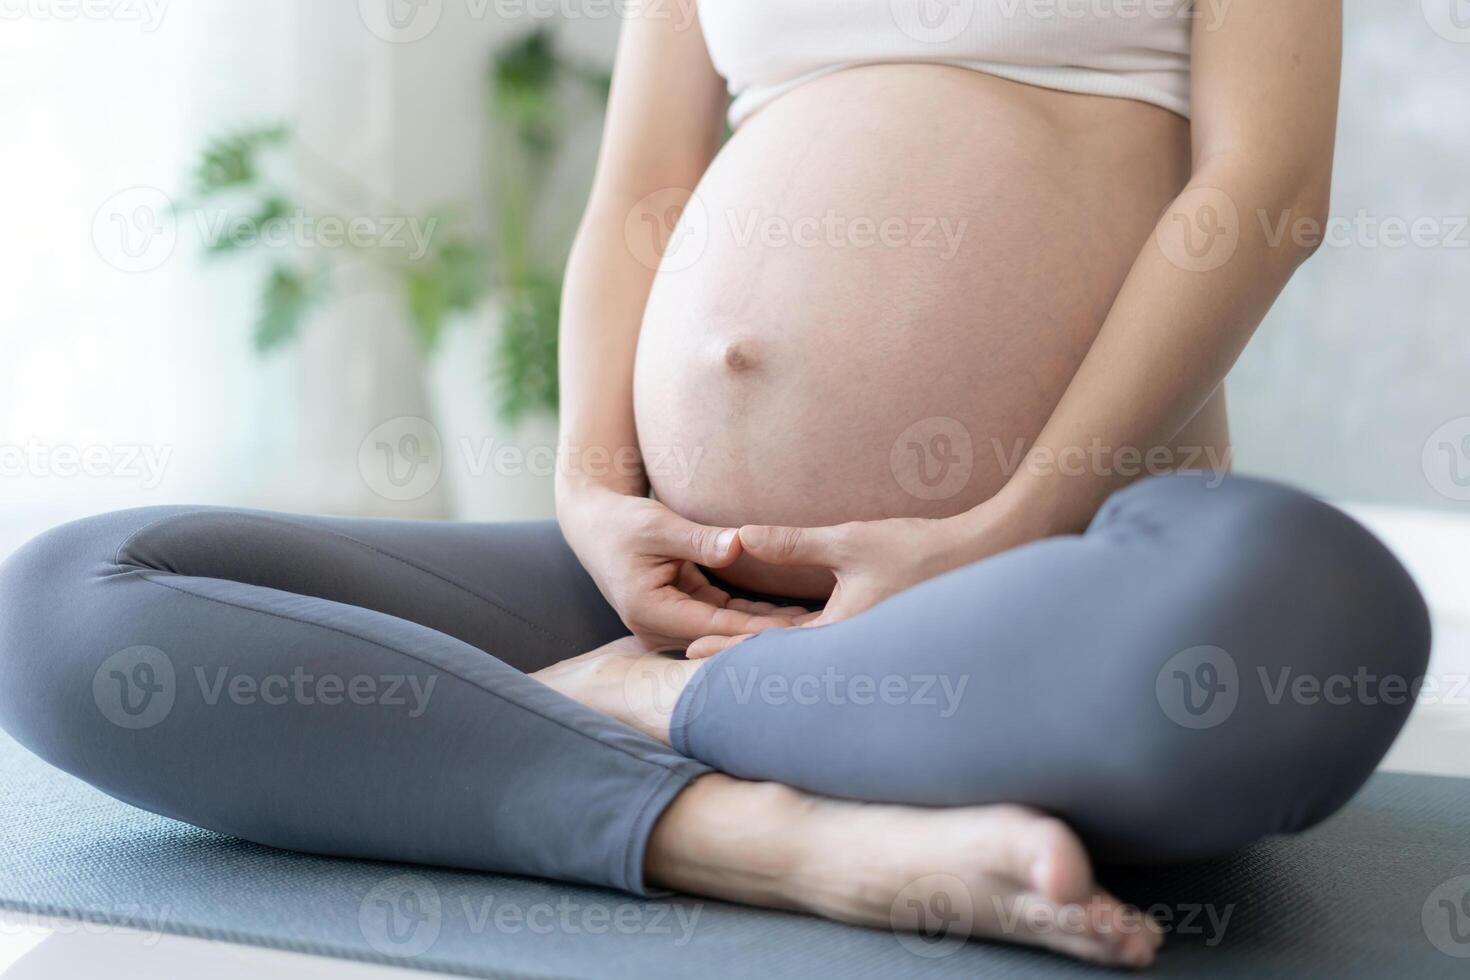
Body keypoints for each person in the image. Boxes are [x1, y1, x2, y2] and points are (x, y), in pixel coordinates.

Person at [0, 2, 1430, 968]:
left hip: (1025, 588)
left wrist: (1001, 526)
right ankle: (750, 834)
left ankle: (658, 714)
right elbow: (643, 191)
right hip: (674, 582)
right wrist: (592, 499)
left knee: (1308, 617)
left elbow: (1262, 194)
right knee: (75, 606)